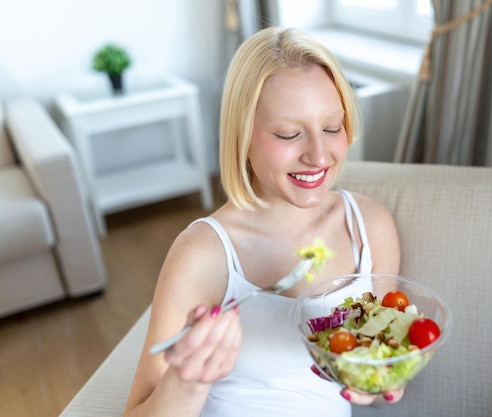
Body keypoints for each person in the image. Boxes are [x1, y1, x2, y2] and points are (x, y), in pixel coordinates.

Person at [123, 26, 402, 417]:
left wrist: (378, 379)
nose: (319, 156)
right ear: (243, 136)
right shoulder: (204, 253)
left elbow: (378, 363)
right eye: (289, 134)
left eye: (332, 127)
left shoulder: (369, 227)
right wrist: (188, 381)